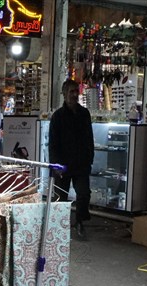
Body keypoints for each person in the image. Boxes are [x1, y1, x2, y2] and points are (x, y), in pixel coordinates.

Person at [49, 79, 94, 239]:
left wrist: (90, 159)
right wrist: (56, 165)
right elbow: (53, 143)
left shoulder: (84, 114)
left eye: (76, 91)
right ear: (64, 94)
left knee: (83, 194)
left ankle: (80, 221)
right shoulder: (58, 116)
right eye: (71, 92)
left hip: (81, 163)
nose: (75, 95)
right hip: (63, 164)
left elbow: (89, 138)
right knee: (61, 196)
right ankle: (58, 225)